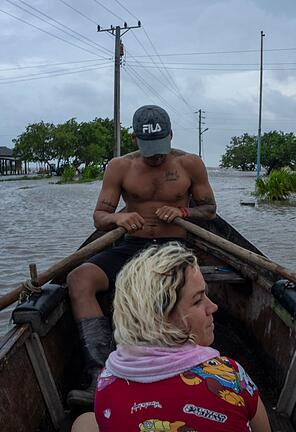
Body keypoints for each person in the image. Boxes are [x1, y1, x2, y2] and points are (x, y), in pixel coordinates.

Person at [66, 105, 217, 407]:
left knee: (170, 290)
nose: (156, 157)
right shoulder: (119, 167)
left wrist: (182, 211)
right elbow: (99, 216)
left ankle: (189, 366)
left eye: (160, 149)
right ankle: (100, 372)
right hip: (131, 247)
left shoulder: (190, 164)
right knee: (79, 279)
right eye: (148, 150)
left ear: (171, 135)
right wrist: (118, 220)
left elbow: (210, 211)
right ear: (134, 139)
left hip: (175, 249)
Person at [75, 242, 270, 432]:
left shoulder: (107, 379)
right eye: (197, 300)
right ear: (162, 318)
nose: (213, 307)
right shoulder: (229, 375)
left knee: (84, 422)